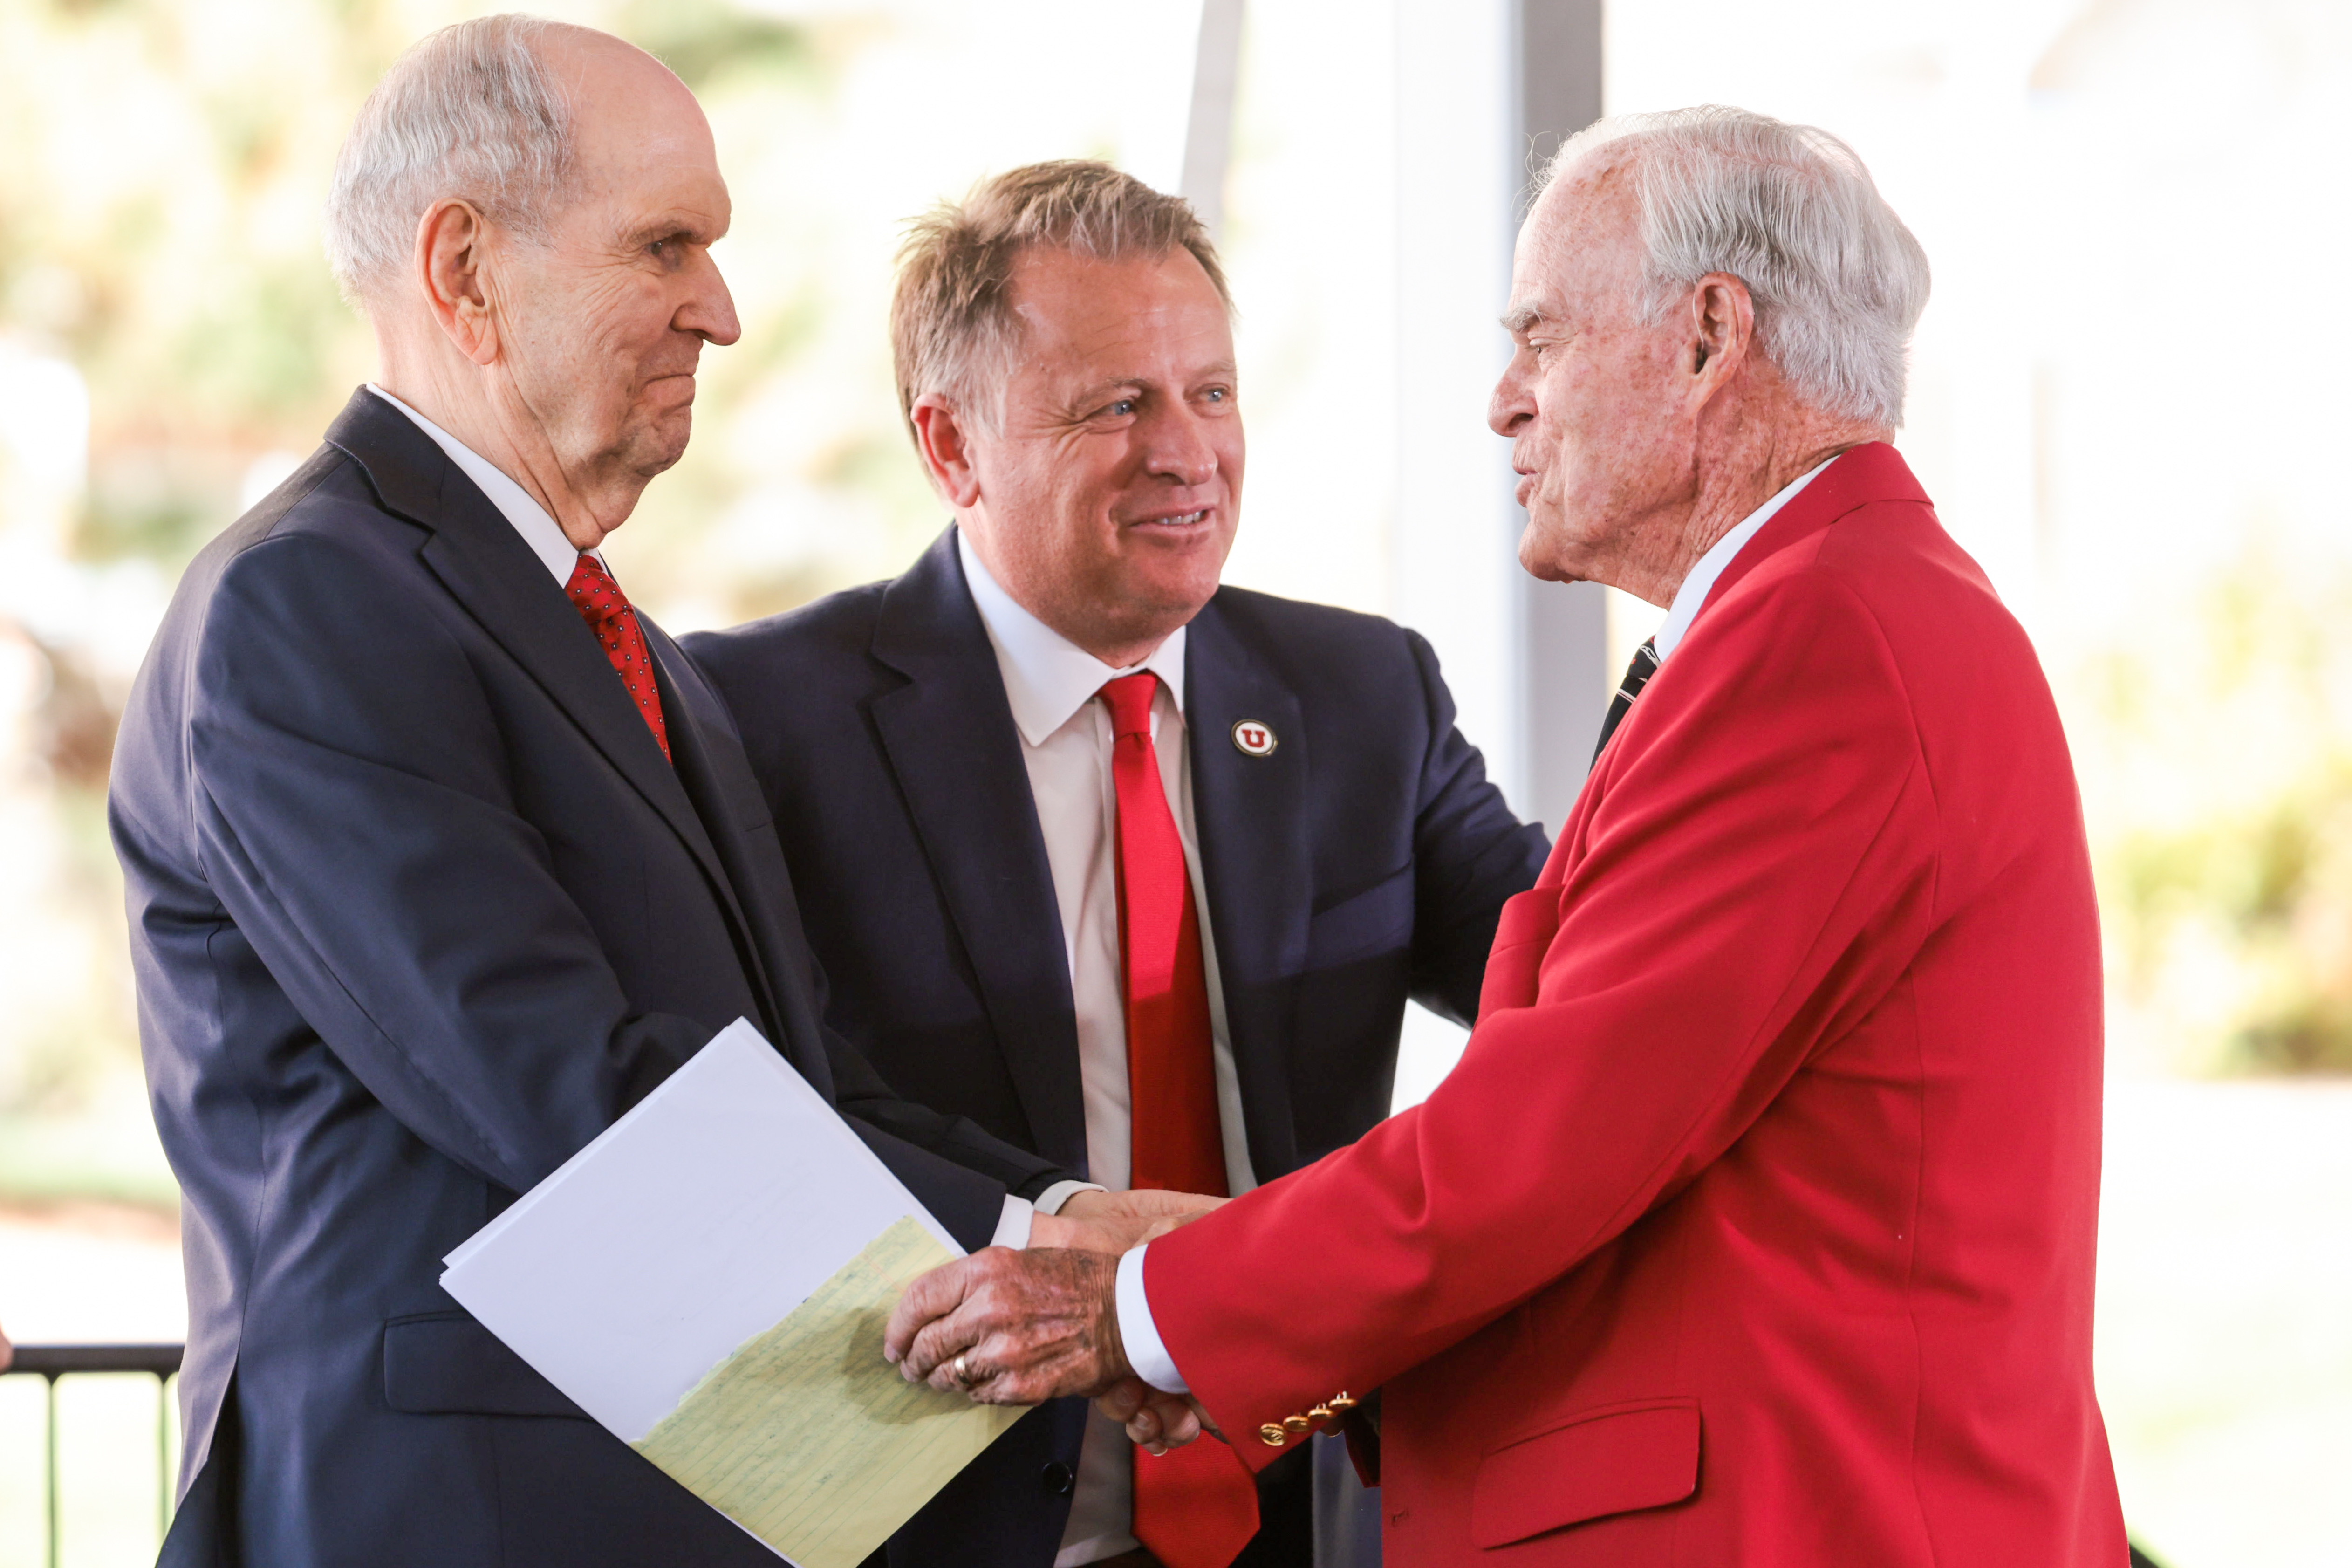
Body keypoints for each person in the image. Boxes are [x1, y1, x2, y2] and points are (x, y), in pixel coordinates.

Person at [882, 107, 2128, 1566]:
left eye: (1542, 336)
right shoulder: (1813, 614)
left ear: (1711, 336)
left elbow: (1544, 1139)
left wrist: (1149, 1307)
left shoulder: (1826, 635)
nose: (1503, 399)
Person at [108, 21, 1170, 1568]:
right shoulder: (304, 611)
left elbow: (801, 1083)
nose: (723, 313)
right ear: (465, 271)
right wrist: (1052, 1257)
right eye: (665, 245)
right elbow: (570, 1092)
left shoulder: (636, 656)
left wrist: (1081, 1221)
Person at [685, 161, 1546, 1568]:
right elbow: (764, 1110)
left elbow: (1565, 976)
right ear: (951, 448)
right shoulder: (765, 724)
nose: (1187, 452)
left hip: (1319, 1515)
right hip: (954, 1515)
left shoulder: (1363, 695)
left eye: (1211, 391)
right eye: (1116, 405)